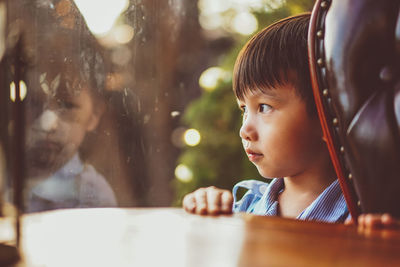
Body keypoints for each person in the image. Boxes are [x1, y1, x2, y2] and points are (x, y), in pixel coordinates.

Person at [183, 14, 348, 223]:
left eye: (264, 107)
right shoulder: (244, 207)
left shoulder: (364, 218)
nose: (245, 130)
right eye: (244, 109)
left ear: (327, 114)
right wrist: (206, 206)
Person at [19, 0, 117, 212]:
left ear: (94, 115)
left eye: (67, 105)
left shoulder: (92, 195)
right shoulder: (11, 178)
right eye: (35, 102)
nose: (48, 123)